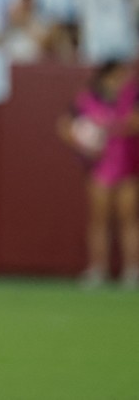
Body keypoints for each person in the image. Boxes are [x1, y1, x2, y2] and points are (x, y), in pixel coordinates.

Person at [58, 59, 139, 289]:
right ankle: (98, 269)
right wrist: (83, 142)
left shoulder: (133, 97)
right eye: (119, 75)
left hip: (128, 165)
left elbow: (135, 123)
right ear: (107, 76)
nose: (124, 80)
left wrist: (110, 125)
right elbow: (64, 126)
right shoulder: (88, 98)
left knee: (129, 219)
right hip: (100, 167)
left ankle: (132, 271)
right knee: (98, 220)